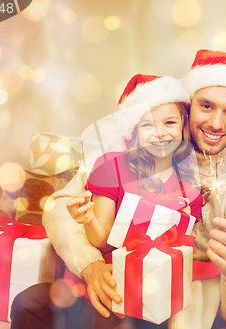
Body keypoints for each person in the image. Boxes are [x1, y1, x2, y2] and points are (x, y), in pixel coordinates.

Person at [11, 49, 226, 329]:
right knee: (30, 303)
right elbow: (59, 208)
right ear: (188, 107)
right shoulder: (136, 148)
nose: (216, 124)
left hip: (185, 307)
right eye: (206, 106)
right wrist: (90, 265)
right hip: (120, 279)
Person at [66, 74, 201, 253]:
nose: (160, 133)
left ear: (183, 127)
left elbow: (180, 251)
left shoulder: (189, 187)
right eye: (147, 125)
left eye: (170, 123)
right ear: (135, 132)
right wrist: (89, 220)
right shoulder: (110, 167)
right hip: (116, 269)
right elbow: (104, 242)